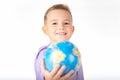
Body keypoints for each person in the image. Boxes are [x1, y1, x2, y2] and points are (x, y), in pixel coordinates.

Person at [34, 4, 84, 80]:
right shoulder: (43, 54)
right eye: (54, 23)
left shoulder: (74, 53)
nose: (61, 27)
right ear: (45, 30)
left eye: (66, 23)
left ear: (72, 29)